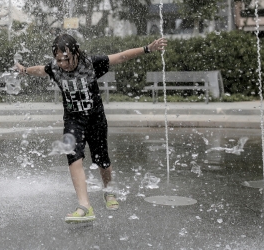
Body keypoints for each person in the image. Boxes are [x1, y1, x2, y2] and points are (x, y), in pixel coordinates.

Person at [15, 33, 167, 223]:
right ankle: (84, 206)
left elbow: (120, 56)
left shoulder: (91, 63)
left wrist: (147, 48)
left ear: (76, 52)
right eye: (59, 60)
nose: (63, 64)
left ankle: (109, 192)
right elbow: (40, 70)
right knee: (73, 156)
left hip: (95, 119)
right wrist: (25, 70)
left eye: (66, 59)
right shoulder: (55, 68)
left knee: (102, 159)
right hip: (73, 120)